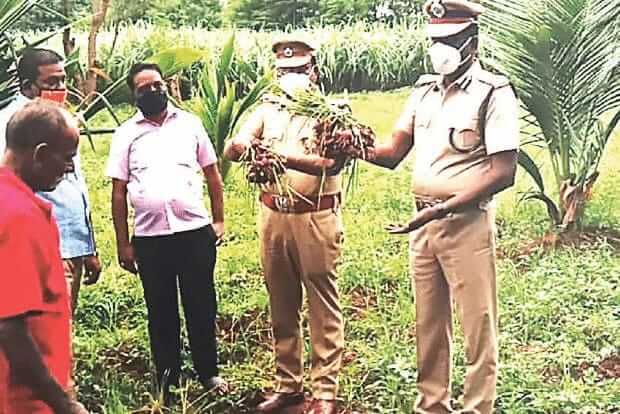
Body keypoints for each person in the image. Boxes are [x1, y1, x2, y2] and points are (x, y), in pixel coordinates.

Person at [369, 1, 520, 413]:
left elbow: (503, 171)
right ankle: (432, 404)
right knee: (429, 325)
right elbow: (392, 151)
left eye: (450, 40)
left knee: (477, 324)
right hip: (423, 226)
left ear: (472, 41)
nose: (442, 50)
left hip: (465, 223)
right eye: (435, 40)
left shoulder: (493, 92)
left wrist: (442, 209)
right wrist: (351, 143)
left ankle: (477, 407)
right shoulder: (423, 91)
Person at [224, 38, 348, 414]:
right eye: (283, 72)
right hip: (273, 216)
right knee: (282, 303)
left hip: (315, 216)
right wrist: (245, 145)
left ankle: (324, 391)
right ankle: (288, 385)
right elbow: (235, 144)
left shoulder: (332, 112)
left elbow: (332, 164)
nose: (290, 78)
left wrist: (280, 156)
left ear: (313, 71)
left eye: (297, 71)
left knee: (322, 304)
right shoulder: (267, 108)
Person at [106, 62, 227, 401]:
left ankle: (209, 372)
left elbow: (213, 175)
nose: (152, 91)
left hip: (194, 233)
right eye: (143, 88)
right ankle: (168, 379)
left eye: (156, 85)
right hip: (150, 239)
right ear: (134, 94)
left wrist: (219, 221)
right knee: (161, 310)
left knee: (201, 304)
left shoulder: (190, 125)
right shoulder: (126, 134)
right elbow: (118, 192)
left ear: (167, 86)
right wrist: (122, 244)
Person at [0, 48, 101, 316]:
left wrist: (87, 246)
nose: (61, 88)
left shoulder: (60, 120)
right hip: (38, 248)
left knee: (62, 329)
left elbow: (75, 185)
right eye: (51, 83)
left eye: (63, 80)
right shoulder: (11, 124)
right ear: (27, 86)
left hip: (71, 244)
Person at [0, 100, 80, 414]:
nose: (70, 168)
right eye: (68, 157)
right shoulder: (20, 216)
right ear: (41, 155)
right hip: (23, 401)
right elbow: (9, 326)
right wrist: (64, 404)